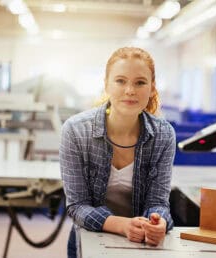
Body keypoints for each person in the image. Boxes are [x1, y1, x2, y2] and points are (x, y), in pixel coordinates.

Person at [59, 47, 176, 258]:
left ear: (151, 88)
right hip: (89, 241)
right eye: (120, 81)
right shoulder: (76, 130)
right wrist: (122, 225)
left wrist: (158, 223)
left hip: (141, 245)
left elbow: (158, 202)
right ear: (106, 85)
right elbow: (77, 206)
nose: (130, 90)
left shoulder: (163, 134)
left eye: (140, 82)